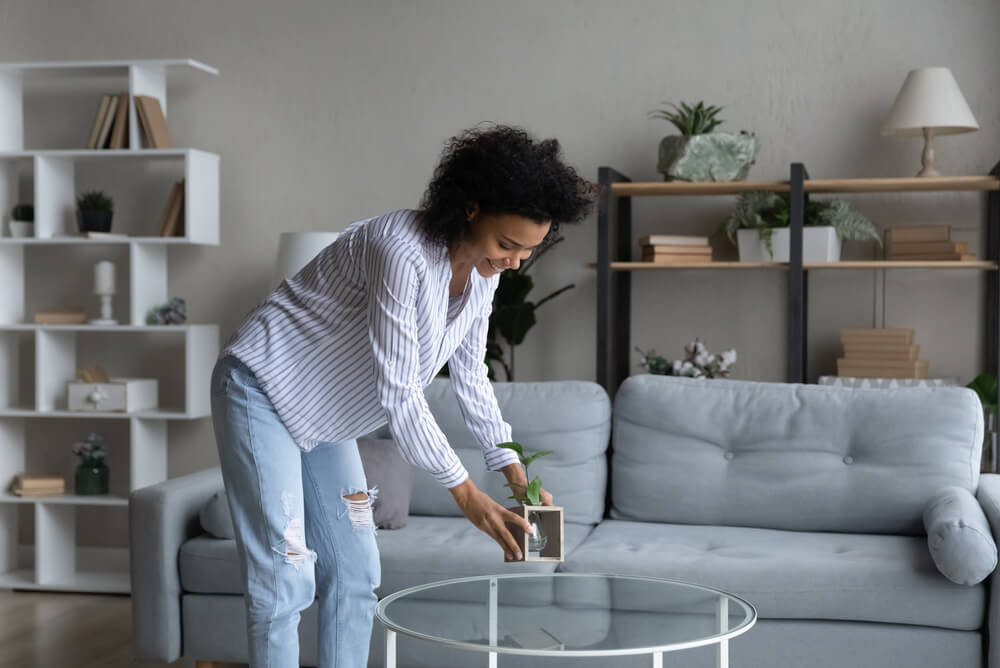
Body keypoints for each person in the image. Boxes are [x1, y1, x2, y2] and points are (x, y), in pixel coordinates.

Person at [209, 123, 595, 668]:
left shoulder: (484, 276)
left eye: (528, 251)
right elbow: (401, 396)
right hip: (261, 389)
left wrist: (514, 472)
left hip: (328, 420)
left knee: (357, 571)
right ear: (469, 208)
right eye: (507, 244)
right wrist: (466, 495)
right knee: (286, 574)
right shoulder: (399, 251)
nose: (515, 262)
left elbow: (470, 376)